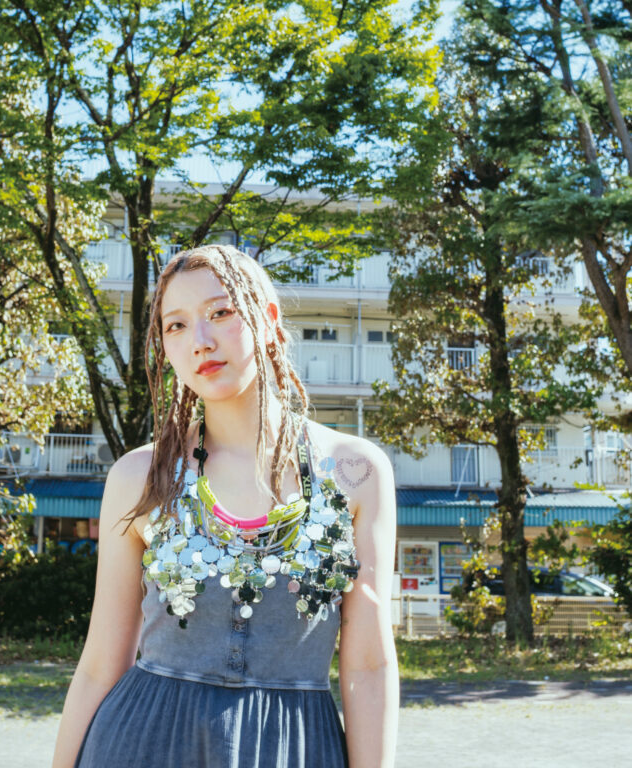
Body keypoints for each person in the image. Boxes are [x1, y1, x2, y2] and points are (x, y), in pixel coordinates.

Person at [52, 244, 398, 768]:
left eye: (220, 312)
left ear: (269, 320)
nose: (201, 341)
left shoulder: (357, 472)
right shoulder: (138, 477)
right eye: (176, 325)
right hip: (141, 746)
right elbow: (101, 664)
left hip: (295, 749)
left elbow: (369, 665)